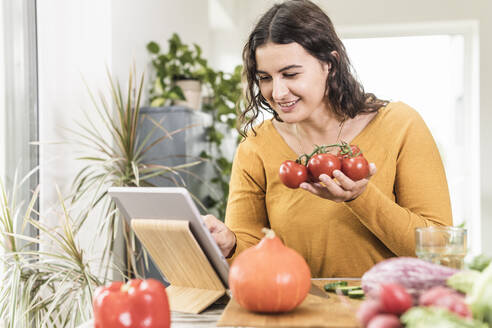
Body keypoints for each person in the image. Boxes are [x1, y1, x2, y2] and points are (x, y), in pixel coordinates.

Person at [203, 0, 452, 278]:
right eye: (265, 78)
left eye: (291, 74)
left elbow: (442, 252)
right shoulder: (256, 147)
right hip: (297, 311)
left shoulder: (400, 125)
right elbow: (250, 253)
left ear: (329, 64)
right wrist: (231, 244)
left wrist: (361, 197)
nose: (278, 92)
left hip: (387, 311)